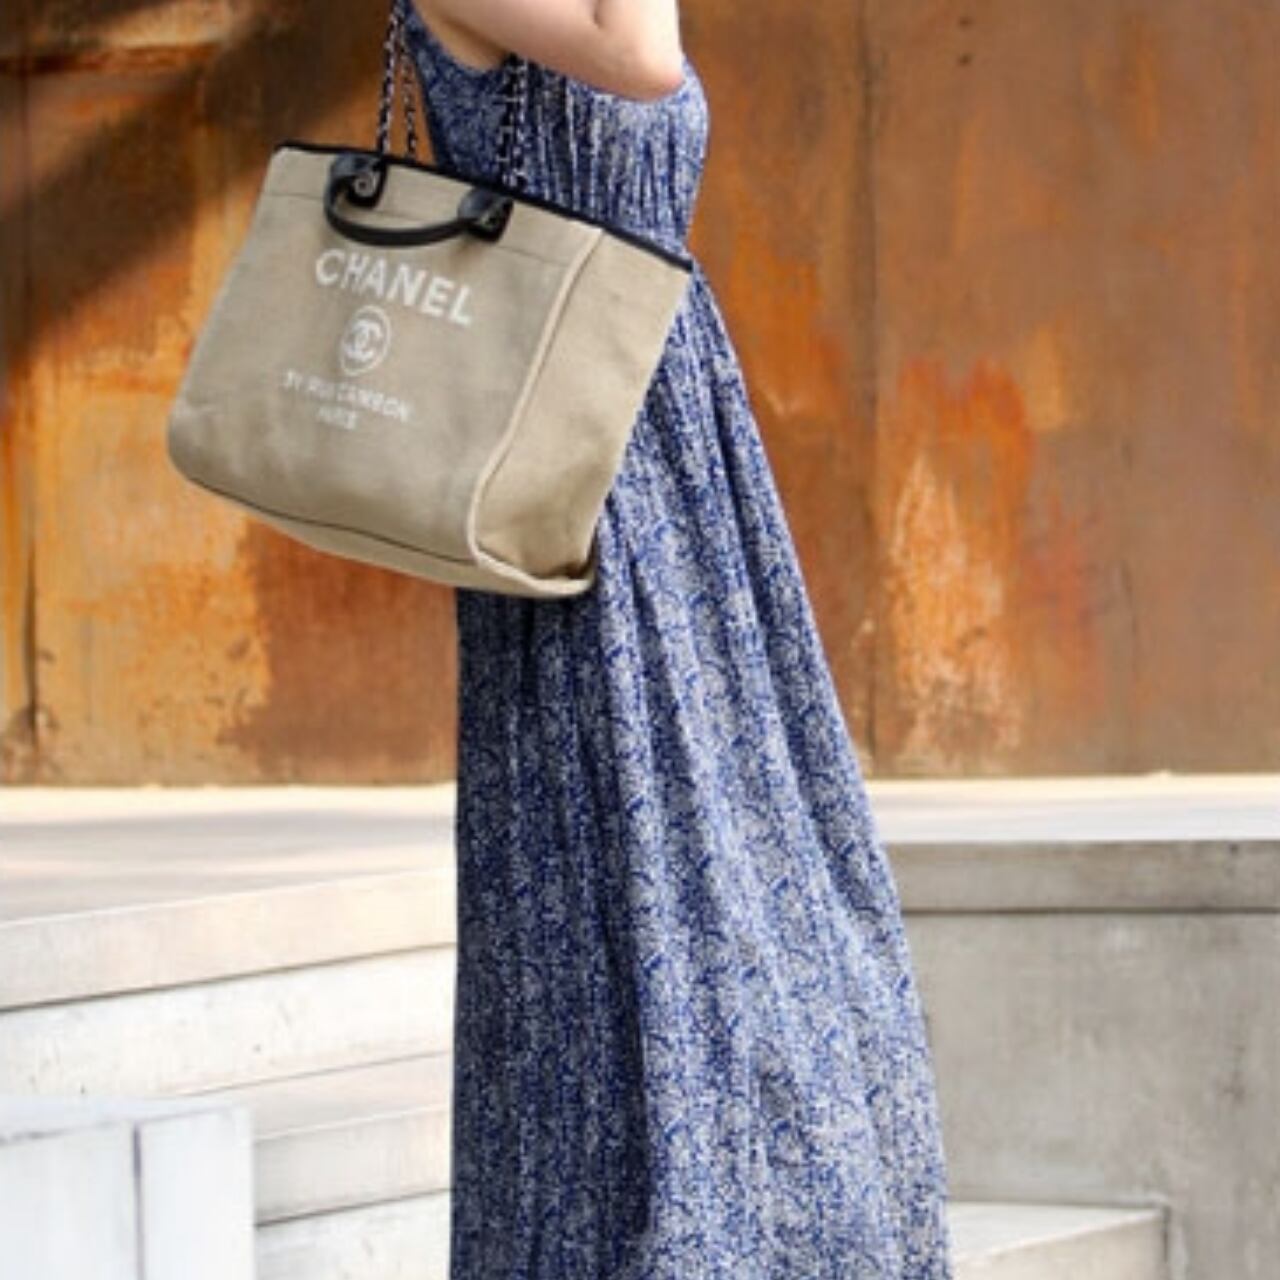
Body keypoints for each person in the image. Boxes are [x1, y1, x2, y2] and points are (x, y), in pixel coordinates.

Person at [404, 1, 955, 1275]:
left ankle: (773, 1226)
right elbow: (644, 63)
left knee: (766, 870)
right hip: (570, 457)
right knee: (621, 868)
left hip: (676, 427)